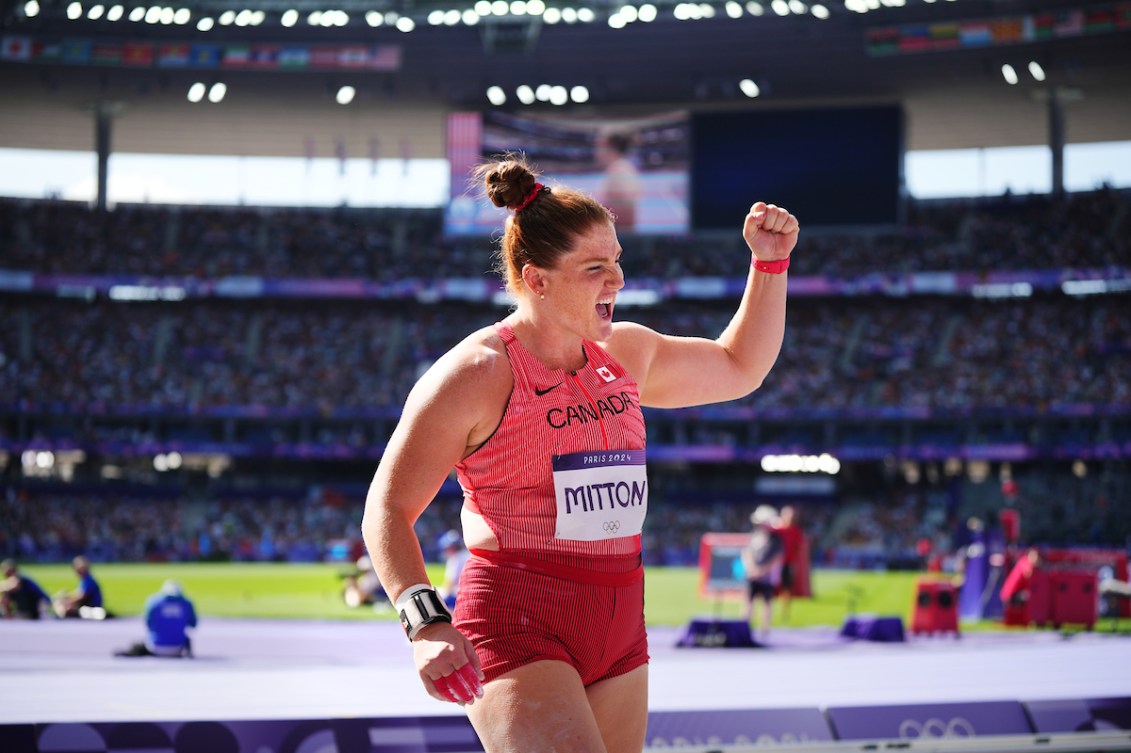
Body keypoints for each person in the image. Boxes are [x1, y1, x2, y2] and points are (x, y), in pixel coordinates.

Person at [361, 153, 797, 753]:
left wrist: (769, 265)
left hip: (619, 614)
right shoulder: (476, 374)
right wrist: (426, 621)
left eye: (617, 261)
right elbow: (386, 509)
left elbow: (739, 366)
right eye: (595, 268)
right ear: (536, 279)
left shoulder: (626, 351)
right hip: (519, 614)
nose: (617, 280)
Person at [115, 580, 197, 657]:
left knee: (140, 644)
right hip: (178, 649)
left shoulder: (154, 602)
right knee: (186, 638)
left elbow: (148, 623)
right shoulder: (187, 604)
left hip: (155, 647)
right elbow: (193, 624)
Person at [741, 505, 785, 641]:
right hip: (752, 575)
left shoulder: (775, 540)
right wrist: (751, 568)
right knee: (748, 601)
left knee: (767, 603)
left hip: (767, 577)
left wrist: (761, 571)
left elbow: (775, 559)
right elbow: (746, 553)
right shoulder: (754, 536)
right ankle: (745, 627)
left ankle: (764, 629)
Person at [594, 127, 642, 232]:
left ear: (608, 145)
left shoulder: (620, 170)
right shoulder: (618, 169)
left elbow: (625, 215)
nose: (596, 151)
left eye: (598, 145)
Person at [773, 504, 804, 621]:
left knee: (786, 588)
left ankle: (785, 611)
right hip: (775, 564)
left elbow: (798, 549)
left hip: (787, 564)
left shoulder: (796, 532)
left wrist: (794, 564)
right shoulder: (777, 530)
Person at [53, 555, 104, 619]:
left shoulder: (89, 580)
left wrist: (67, 602)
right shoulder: (85, 580)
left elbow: (81, 597)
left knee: (62, 605)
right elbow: (78, 593)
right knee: (61, 603)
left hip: (91, 607)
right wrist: (67, 596)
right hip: (87, 607)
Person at [437, 529, 470, 609]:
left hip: (459, 597)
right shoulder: (468, 554)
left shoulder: (454, 559)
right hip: (471, 594)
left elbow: (450, 584)